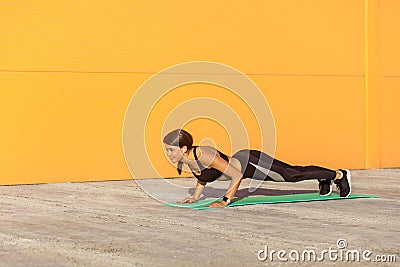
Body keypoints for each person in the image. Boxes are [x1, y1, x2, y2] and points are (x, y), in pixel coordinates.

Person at [163, 129, 351, 208]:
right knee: (294, 173)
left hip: (251, 162)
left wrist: (225, 200)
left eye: (171, 150)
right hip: (246, 164)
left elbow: (237, 175)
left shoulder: (204, 154)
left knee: (292, 174)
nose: (169, 154)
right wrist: (195, 197)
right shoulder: (187, 160)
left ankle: (338, 175)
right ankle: (324, 178)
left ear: (184, 148)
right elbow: (203, 177)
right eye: (167, 150)